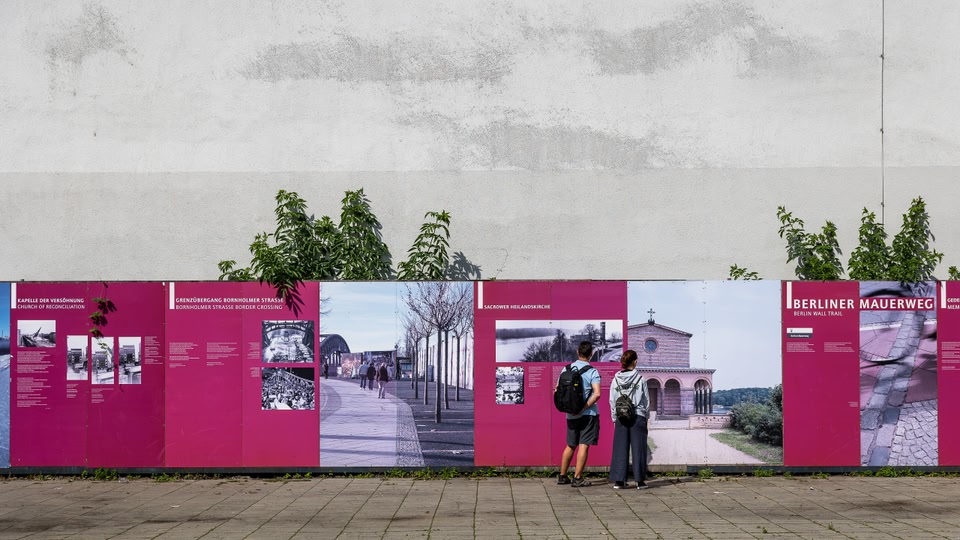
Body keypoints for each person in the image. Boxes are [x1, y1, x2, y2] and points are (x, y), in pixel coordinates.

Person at [556, 341, 602, 488]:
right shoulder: (592, 371)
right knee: (584, 445)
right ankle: (577, 478)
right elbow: (597, 394)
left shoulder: (566, 369)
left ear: (577, 352)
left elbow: (558, 389)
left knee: (570, 445)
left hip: (570, 414)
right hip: (588, 414)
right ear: (591, 354)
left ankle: (562, 476)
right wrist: (583, 408)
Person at [608, 349, 650, 490]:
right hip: (637, 415)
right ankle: (639, 481)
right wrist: (646, 416)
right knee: (638, 448)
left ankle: (619, 481)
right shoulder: (641, 379)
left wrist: (615, 418)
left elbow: (612, 400)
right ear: (635, 361)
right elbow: (646, 401)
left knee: (620, 448)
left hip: (621, 417)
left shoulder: (615, 380)